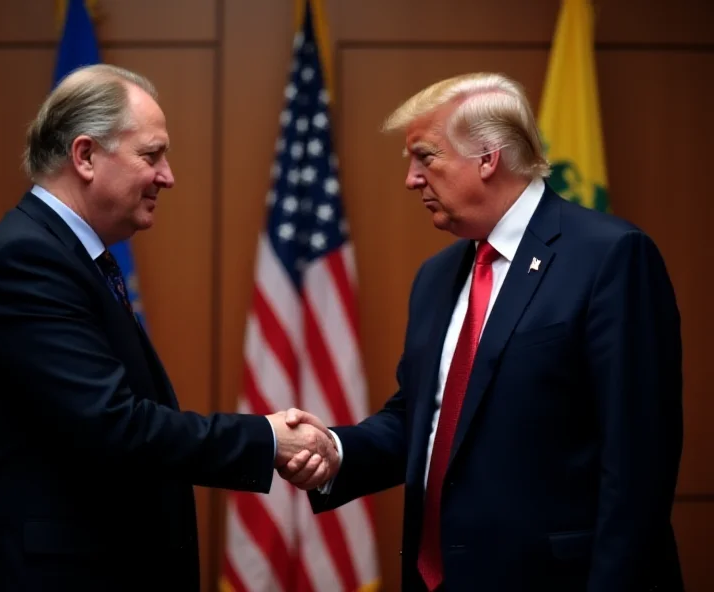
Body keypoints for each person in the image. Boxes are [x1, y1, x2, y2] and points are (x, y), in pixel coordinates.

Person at [0, 64, 336, 592]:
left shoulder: (68, 255)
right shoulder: (27, 259)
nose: (167, 176)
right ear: (84, 156)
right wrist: (266, 439)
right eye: (151, 155)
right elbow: (113, 425)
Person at [280, 72, 684, 591]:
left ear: (488, 158)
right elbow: (421, 420)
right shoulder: (437, 276)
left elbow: (637, 467)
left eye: (425, 156)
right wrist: (338, 451)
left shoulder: (610, 257)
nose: (410, 178)